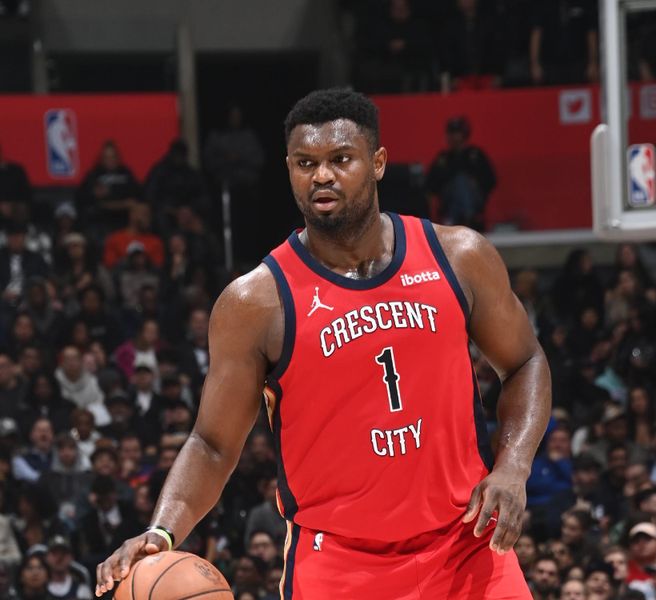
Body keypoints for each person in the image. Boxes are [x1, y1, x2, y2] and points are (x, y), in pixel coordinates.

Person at [95, 88, 551, 598]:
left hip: (466, 547)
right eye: (306, 163)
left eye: (341, 159)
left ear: (377, 163)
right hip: (338, 566)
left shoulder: (460, 256)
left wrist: (513, 466)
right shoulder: (255, 302)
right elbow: (213, 443)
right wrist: (161, 531)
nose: (322, 176)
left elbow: (525, 361)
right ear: (289, 169)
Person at [426, 116, 496, 230]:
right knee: (459, 183)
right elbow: (430, 186)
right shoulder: (443, 159)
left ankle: (455, 219)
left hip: (475, 199)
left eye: (457, 133)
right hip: (448, 201)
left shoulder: (476, 155)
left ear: (464, 134)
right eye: (451, 133)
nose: (454, 137)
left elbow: (491, 180)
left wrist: (473, 184)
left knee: (462, 182)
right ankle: (468, 219)